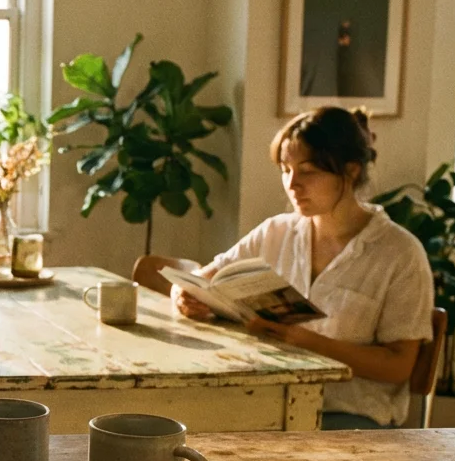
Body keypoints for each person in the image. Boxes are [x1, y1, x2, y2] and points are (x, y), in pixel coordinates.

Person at [172, 107, 434, 430]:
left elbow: (398, 365)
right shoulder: (276, 232)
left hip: (350, 416)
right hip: (266, 399)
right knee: (185, 420)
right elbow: (203, 278)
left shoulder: (400, 254)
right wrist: (184, 294)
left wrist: (310, 342)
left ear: (351, 171)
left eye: (307, 171)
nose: (292, 184)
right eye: (285, 170)